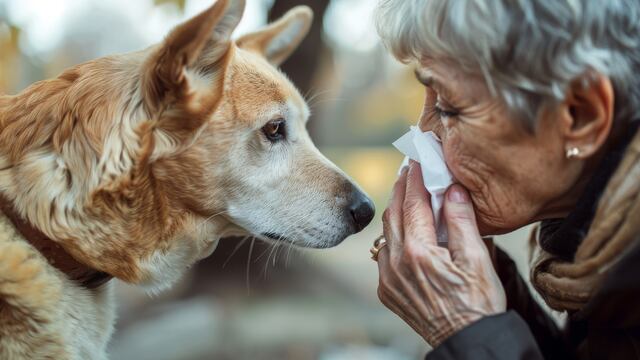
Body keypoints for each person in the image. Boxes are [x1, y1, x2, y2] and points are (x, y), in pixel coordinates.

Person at [370, 1, 640, 359]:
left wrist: (470, 332)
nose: (424, 131)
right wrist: (481, 287)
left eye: (448, 108)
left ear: (580, 116)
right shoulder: (595, 242)